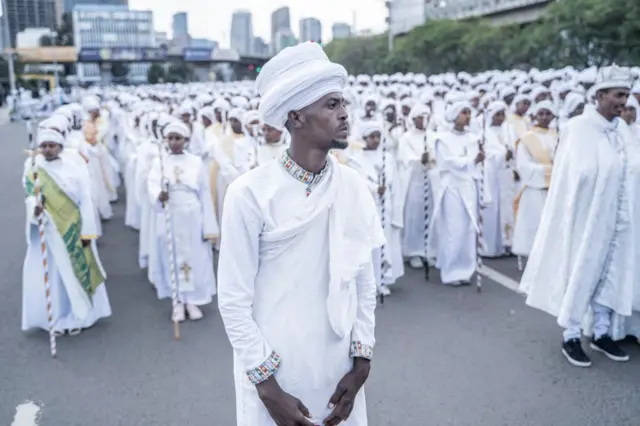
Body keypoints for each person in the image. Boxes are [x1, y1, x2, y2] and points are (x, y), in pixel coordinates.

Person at [217, 42, 384, 426]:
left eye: (343, 103)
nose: (345, 115)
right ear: (295, 117)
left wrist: (361, 362)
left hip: (339, 373)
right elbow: (233, 301)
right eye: (330, 105)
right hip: (276, 374)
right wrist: (267, 387)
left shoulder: (353, 186)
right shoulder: (249, 193)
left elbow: (363, 280)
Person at [519, 65, 636, 368]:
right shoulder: (578, 128)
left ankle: (601, 330)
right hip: (585, 218)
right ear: (600, 95)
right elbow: (575, 175)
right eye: (617, 95)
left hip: (616, 218)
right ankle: (571, 335)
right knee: (580, 271)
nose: (623, 101)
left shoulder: (621, 130)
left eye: (626, 95)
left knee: (611, 272)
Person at [22, 129, 111, 335]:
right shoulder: (34, 171)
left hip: (73, 229)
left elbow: (84, 201)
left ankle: (81, 316)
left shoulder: (73, 168)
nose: (47, 149)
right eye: (43, 145)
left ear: (60, 147)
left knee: (76, 273)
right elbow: (29, 197)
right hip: (51, 231)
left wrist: (87, 232)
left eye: (51, 145)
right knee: (56, 275)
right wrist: (34, 208)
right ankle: (57, 317)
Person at [147, 120, 218, 322]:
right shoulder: (159, 162)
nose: (174, 142)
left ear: (186, 140)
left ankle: (192, 300)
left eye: (178, 138)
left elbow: (204, 194)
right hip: (170, 215)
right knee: (171, 258)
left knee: (195, 258)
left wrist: (209, 226)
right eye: (170, 138)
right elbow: (151, 185)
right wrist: (158, 195)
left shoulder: (196, 163)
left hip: (192, 216)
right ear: (165, 140)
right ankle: (177, 301)